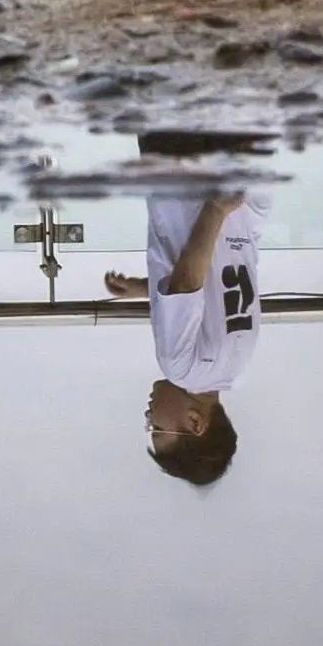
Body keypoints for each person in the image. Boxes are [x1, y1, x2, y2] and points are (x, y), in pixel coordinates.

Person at [106, 177, 268, 484]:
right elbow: (186, 286)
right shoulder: (181, 370)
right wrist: (216, 209)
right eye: (156, 428)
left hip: (241, 203)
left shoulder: (237, 365)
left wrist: (144, 289)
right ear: (195, 423)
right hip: (191, 192)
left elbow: (210, 291)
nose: (148, 416)